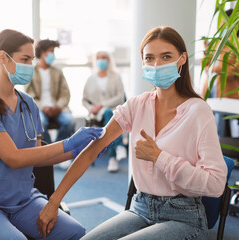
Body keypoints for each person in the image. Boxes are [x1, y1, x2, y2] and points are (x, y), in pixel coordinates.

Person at [37, 26, 228, 240]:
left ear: (182, 58)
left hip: (184, 216)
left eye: (166, 56)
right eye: (150, 58)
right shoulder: (137, 105)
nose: (157, 65)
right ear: (143, 62)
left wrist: (159, 157)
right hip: (141, 207)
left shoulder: (198, 111)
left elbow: (216, 184)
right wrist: (53, 202)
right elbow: (93, 150)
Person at [0, 29, 104, 240]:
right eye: (24, 59)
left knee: (75, 233)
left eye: (31, 60)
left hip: (24, 200)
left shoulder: (28, 104)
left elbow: (38, 155)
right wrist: (69, 142)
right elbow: (14, 158)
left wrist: (80, 149)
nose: (30, 66)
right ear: (3, 58)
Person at [24, 39, 76, 146]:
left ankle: (58, 148)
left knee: (70, 121)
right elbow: (29, 95)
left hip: (58, 108)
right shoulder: (31, 72)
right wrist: (43, 107)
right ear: (42, 52)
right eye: (51, 51)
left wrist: (58, 107)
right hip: (39, 109)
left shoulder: (58, 72)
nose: (53, 54)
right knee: (40, 123)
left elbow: (65, 93)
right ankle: (48, 148)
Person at [83, 51, 126, 172]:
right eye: (99, 58)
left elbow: (120, 97)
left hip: (112, 111)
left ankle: (113, 158)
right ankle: (119, 146)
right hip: (96, 114)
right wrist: (90, 108)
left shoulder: (116, 77)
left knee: (109, 114)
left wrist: (102, 105)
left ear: (109, 60)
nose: (101, 60)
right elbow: (84, 100)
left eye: (104, 58)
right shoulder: (91, 79)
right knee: (109, 115)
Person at [201, 9, 239, 137]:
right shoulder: (217, 43)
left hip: (227, 93)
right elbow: (205, 65)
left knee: (222, 128)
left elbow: (231, 71)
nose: (222, 25)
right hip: (211, 89)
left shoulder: (236, 44)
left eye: (224, 22)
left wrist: (212, 69)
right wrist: (206, 50)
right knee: (210, 123)